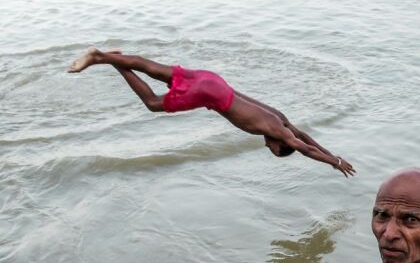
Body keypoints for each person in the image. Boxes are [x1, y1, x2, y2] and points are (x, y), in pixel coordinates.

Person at [67, 48, 355, 176]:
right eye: (273, 149)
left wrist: (333, 154)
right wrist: (334, 161)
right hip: (211, 94)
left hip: (215, 80)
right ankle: (114, 63)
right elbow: (304, 147)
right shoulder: (277, 130)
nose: (267, 144)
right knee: (154, 103)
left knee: (154, 69)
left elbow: (304, 135)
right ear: (281, 143)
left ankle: (103, 55)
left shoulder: (280, 118)